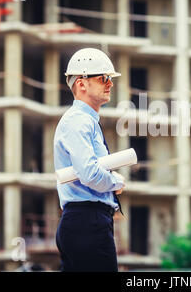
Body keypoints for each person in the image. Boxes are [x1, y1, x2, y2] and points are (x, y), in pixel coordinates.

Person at [54, 48, 126, 272]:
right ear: (81, 83)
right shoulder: (78, 121)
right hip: (88, 222)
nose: (110, 84)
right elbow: (89, 173)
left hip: (86, 222)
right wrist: (116, 182)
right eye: (103, 78)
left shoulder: (85, 121)